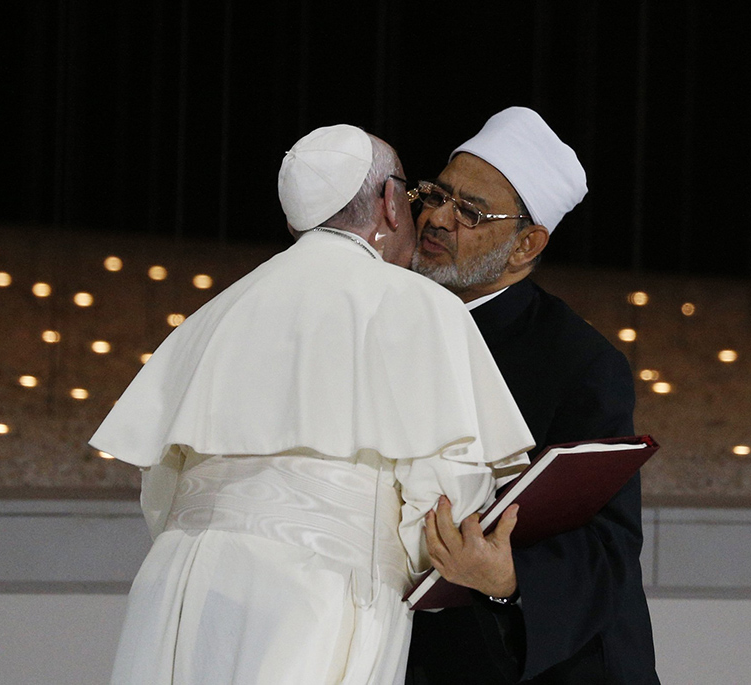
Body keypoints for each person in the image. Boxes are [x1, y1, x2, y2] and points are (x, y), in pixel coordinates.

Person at [91, 124, 533, 685]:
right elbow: (445, 512)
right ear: (387, 205)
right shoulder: (420, 306)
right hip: (318, 595)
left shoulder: (218, 311)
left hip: (177, 588)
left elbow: (161, 494)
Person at [406, 107, 660, 684]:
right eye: (437, 196)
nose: (438, 219)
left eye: (469, 211)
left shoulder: (579, 364)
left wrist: (507, 577)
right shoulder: (392, 314)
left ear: (527, 246)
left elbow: (609, 550)